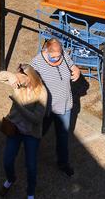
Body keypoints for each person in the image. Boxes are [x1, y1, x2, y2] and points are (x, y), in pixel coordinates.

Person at [30, 39, 80, 177]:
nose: (58, 58)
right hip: (46, 108)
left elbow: (72, 65)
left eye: (59, 55)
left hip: (64, 105)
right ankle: (30, 158)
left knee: (63, 137)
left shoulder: (63, 55)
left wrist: (76, 70)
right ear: (46, 50)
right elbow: (27, 77)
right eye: (55, 56)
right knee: (37, 134)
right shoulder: (37, 62)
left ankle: (63, 164)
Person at [0, 63, 48, 198]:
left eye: (20, 79)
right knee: (7, 161)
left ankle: (30, 193)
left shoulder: (42, 92)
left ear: (29, 78)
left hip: (31, 133)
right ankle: (10, 179)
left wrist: (18, 105)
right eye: (17, 78)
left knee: (31, 166)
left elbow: (37, 119)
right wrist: (10, 76)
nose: (17, 82)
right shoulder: (17, 83)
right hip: (15, 130)